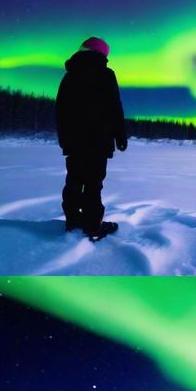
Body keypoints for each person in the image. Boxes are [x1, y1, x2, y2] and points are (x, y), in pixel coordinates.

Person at [54, 36, 127, 240]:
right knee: (94, 183)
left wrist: (65, 139)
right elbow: (115, 108)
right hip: (98, 141)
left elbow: (60, 111)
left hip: (75, 142)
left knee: (74, 181)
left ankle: (72, 220)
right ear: (102, 54)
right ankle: (93, 226)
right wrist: (120, 135)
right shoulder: (105, 75)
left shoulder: (69, 77)